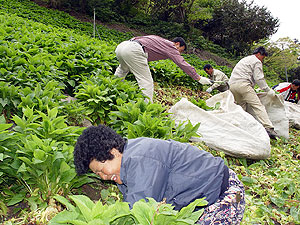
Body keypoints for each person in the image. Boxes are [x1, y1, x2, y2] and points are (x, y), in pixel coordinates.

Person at [74, 125, 245, 224]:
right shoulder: (126, 163)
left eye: (101, 169)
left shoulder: (139, 160)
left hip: (225, 197)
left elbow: (138, 210)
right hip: (207, 194)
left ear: (112, 151)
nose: (103, 176)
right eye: (97, 174)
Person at [114, 35, 212, 102]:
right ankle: (147, 108)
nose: (179, 53)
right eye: (180, 50)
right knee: (146, 81)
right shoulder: (171, 46)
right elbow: (182, 63)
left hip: (122, 46)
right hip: (134, 50)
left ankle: (112, 90)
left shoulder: (160, 40)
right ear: (177, 44)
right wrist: (198, 78)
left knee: (122, 70)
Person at [228, 46, 279, 139]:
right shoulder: (256, 61)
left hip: (232, 85)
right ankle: (269, 127)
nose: (262, 60)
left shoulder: (245, 59)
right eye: (263, 57)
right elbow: (259, 78)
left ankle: (240, 126)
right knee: (257, 105)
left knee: (241, 107)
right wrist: (268, 90)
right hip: (243, 85)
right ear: (259, 54)